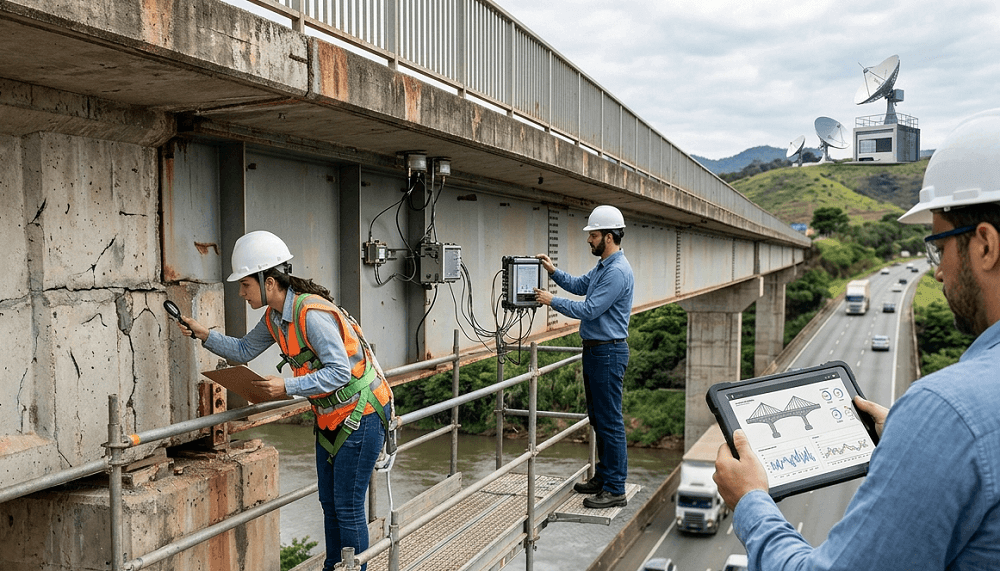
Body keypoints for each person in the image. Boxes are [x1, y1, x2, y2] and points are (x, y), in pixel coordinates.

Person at [713, 109, 1000, 570]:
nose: (940, 271)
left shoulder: (950, 413)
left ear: (985, 245)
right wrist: (911, 438)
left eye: (940, 246)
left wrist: (749, 501)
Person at [175, 230, 393, 571]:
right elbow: (244, 350)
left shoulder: (311, 315)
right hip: (331, 416)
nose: (242, 293)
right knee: (330, 504)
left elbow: (341, 373)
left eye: (245, 285)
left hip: (361, 414)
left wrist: (287, 387)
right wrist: (204, 334)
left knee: (348, 506)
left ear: (270, 281)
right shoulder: (275, 318)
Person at [533, 205, 635, 509]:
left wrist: (552, 300)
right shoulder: (605, 266)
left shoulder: (617, 271)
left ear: (609, 236)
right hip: (596, 350)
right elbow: (580, 286)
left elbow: (589, 310)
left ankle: (616, 487)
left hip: (608, 352)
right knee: (598, 418)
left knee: (610, 421)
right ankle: (604, 476)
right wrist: (554, 272)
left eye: (593, 234)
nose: (589, 239)